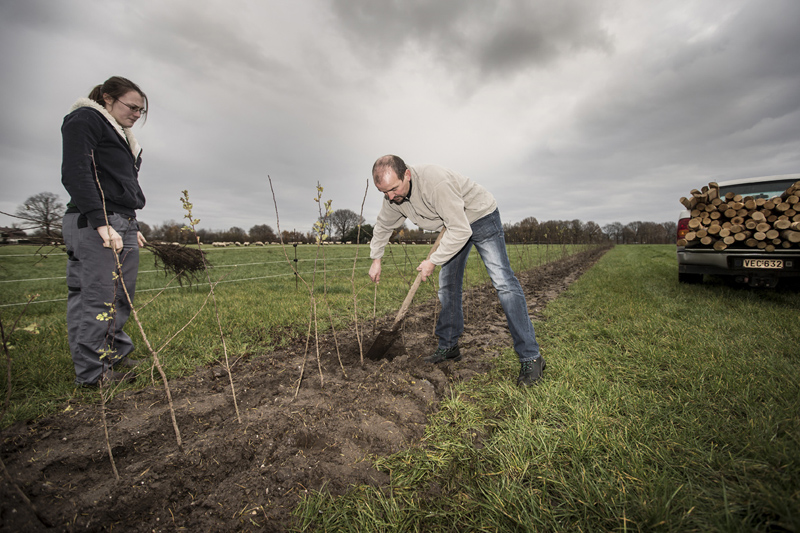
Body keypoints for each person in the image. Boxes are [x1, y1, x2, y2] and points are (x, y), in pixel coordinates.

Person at [368, 155, 545, 386]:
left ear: (407, 175)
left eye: (393, 189)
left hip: (480, 217)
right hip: (452, 225)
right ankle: (449, 347)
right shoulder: (393, 198)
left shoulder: (435, 184)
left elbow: (461, 230)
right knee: (448, 286)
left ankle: (531, 357)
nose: (391, 197)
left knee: (503, 283)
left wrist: (434, 260)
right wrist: (376, 258)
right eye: (384, 193)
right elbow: (383, 225)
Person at [61, 76, 148, 387]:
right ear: (108, 98)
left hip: (121, 221)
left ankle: (115, 356)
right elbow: (76, 171)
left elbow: (118, 182)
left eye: (142, 110)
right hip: (94, 222)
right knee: (96, 298)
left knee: (120, 297)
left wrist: (129, 223)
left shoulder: (123, 137)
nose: (137, 114)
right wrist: (102, 222)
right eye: (132, 107)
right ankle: (92, 374)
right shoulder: (85, 119)